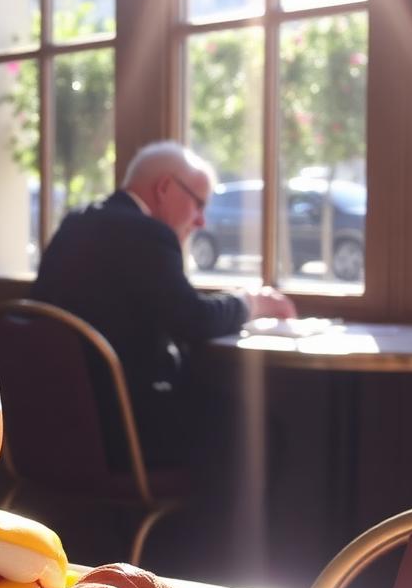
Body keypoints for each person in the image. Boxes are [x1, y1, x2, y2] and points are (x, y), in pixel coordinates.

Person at [29, 140, 295, 468]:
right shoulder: (147, 234)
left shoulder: (75, 223)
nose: (202, 221)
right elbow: (194, 319)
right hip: (125, 428)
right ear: (165, 187)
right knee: (262, 434)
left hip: (54, 424)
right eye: (199, 204)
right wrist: (250, 302)